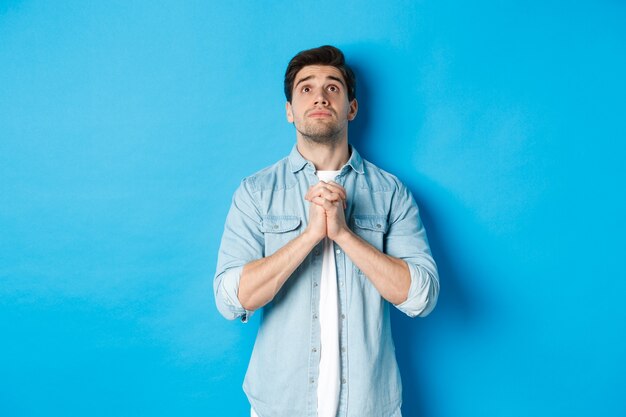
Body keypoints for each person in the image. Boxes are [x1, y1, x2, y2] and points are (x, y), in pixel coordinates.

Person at [214, 45, 439, 417]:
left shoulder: (390, 193)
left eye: (333, 87)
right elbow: (230, 298)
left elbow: (422, 297)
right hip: (279, 407)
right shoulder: (255, 192)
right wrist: (309, 236)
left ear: (352, 107)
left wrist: (344, 234)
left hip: (370, 407)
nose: (319, 95)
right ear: (289, 111)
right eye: (306, 88)